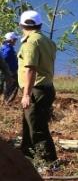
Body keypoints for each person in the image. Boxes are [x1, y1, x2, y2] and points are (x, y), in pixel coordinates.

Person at [16, 10, 58, 163]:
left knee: (37, 128)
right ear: (40, 24)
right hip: (46, 88)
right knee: (29, 124)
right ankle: (27, 155)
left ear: (21, 25)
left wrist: (26, 94)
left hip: (36, 90)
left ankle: (49, 161)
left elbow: (31, 69)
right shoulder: (47, 41)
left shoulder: (31, 42)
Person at [1, 31, 17, 101]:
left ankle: (6, 100)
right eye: (15, 39)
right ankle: (7, 101)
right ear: (11, 40)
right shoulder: (9, 49)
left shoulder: (4, 47)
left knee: (8, 86)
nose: (16, 41)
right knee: (10, 86)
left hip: (8, 72)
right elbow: (3, 60)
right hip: (10, 72)